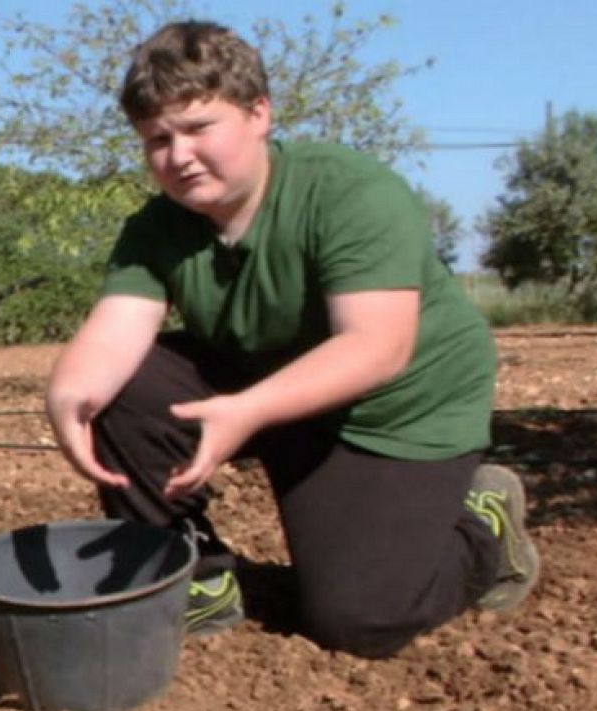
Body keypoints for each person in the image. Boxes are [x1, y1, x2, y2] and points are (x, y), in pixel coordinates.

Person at [44, 20, 540, 658]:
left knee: (360, 620)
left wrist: (249, 411)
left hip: (397, 406)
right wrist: (65, 395)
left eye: (198, 128)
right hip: (264, 378)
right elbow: (115, 331)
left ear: (259, 113)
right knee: (117, 389)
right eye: (157, 140)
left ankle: (485, 529)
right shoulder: (157, 227)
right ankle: (195, 575)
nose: (179, 156)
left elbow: (376, 347)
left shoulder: (349, 192)